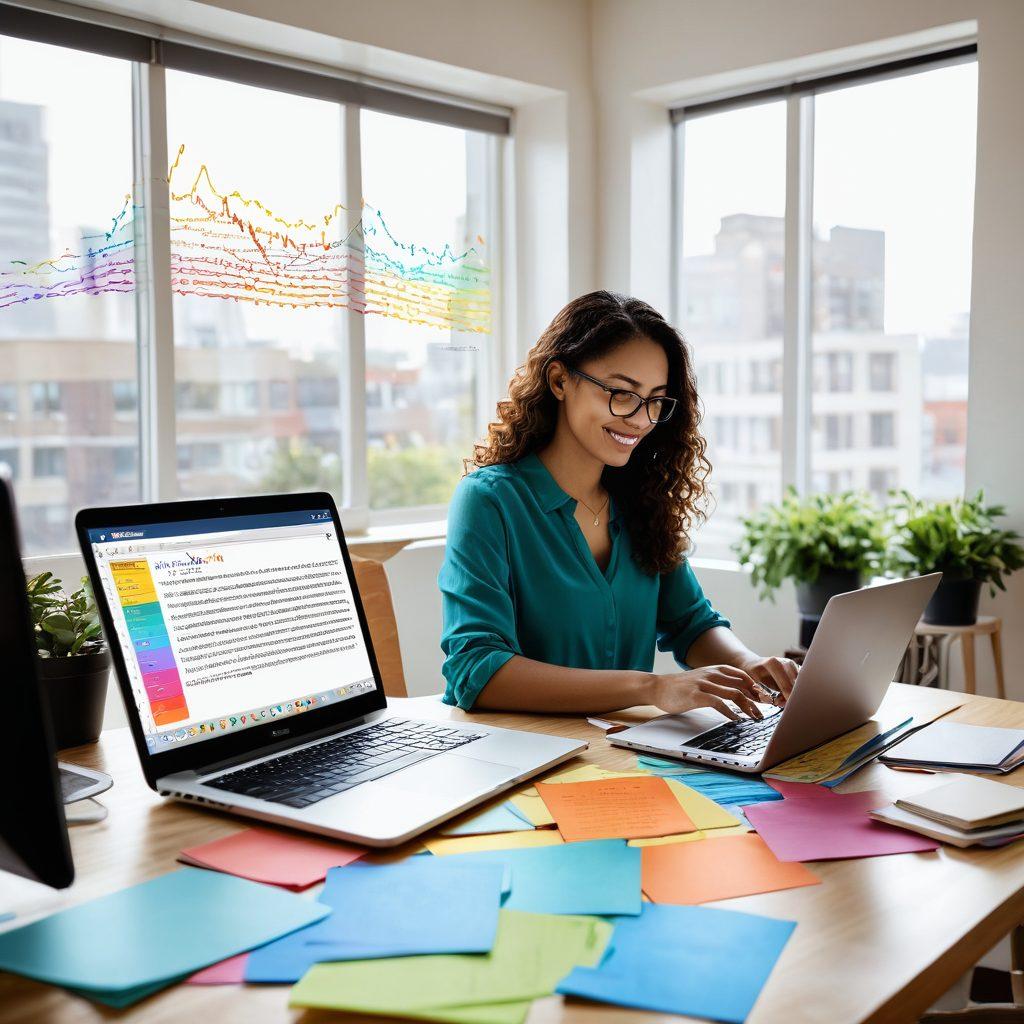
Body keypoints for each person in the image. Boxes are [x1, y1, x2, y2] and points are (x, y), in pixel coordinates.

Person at [438, 290, 798, 719]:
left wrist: (747, 664)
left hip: (616, 753)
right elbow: (475, 669)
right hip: (517, 757)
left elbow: (691, 623)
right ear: (559, 381)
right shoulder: (490, 500)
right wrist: (651, 687)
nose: (641, 419)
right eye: (622, 393)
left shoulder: (640, 501)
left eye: (655, 400)